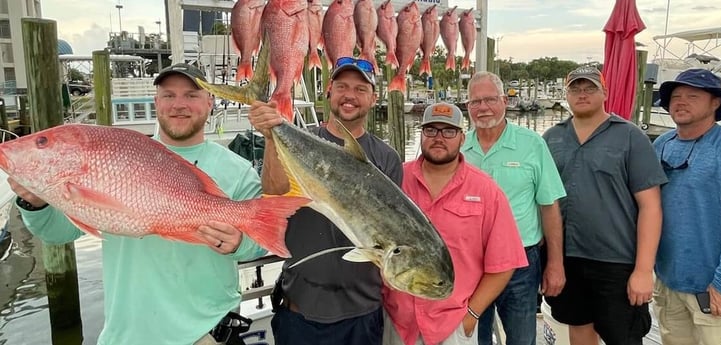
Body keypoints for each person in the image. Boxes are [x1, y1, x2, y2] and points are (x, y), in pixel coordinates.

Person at [9, 63, 266, 345]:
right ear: (156, 102)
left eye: (191, 95)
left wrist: (239, 242)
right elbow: (59, 233)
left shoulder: (238, 170)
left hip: (206, 333)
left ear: (209, 102)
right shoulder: (121, 155)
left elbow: (259, 241)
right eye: (168, 95)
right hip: (128, 336)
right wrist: (34, 202)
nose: (179, 105)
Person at [247, 57, 403, 345]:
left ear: (373, 98)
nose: (350, 96)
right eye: (342, 86)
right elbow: (274, 190)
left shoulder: (387, 159)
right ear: (329, 91)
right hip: (300, 311)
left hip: (362, 313)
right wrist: (271, 135)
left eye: (360, 89)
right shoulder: (300, 139)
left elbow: (393, 228)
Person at [382, 102, 528, 345]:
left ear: (462, 137)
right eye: (431, 130)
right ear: (422, 135)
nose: (439, 138)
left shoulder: (486, 190)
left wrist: (471, 315)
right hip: (397, 323)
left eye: (448, 131)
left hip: (453, 327)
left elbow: (504, 263)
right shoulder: (395, 180)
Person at [542, 65, 667, 345]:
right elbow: (542, 200)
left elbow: (651, 206)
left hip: (616, 261)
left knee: (623, 336)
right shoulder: (552, 138)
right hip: (567, 258)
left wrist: (644, 270)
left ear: (605, 93)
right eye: (575, 88)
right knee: (578, 327)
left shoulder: (630, 136)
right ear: (567, 95)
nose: (582, 94)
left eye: (590, 88)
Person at [651, 69, 721, 345]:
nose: (681, 101)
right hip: (668, 281)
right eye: (676, 96)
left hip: (715, 289)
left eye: (693, 96)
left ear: (716, 103)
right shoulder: (661, 145)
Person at [461, 71, 567, 345]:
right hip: (471, 264)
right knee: (472, 338)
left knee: (521, 339)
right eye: (475, 102)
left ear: (504, 102)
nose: (483, 107)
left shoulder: (532, 144)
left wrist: (555, 263)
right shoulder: (458, 148)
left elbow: (550, 207)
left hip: (521, 262)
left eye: (490, 99)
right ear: (468, 107)